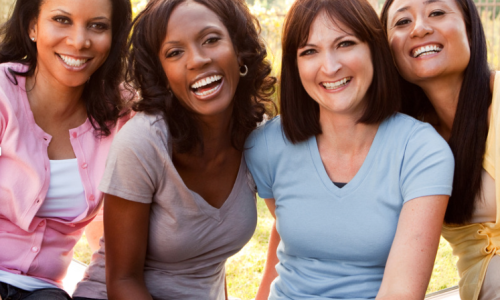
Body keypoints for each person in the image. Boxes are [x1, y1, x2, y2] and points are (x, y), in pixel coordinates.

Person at [245, 0, 455, 299]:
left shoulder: (421, 151)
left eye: (345, 43)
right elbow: (285, 250)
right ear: (294, 65)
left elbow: (401, 292)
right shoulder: (266, 145)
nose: (330, 67)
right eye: (309, 51)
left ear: (374, 50)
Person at [72, 0, 276, 299]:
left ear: (239, 49)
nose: (197, 60)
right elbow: (123, 281)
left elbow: (293, 230)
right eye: (174, 52)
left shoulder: (260, 140)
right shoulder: (143, 142)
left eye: (211, 39)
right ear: (161, 75)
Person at [0, 0, 132, 299]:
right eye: (62, 20)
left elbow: (116, 225)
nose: (79, 41)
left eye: (98, 26)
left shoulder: (124, 116)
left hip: (43, 291)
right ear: (33, 25)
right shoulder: (2, 94)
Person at [380, 0, 499, 299]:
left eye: (436, 12)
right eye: (402, 22)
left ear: (469, 30)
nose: (420, 28)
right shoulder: (406, 141)